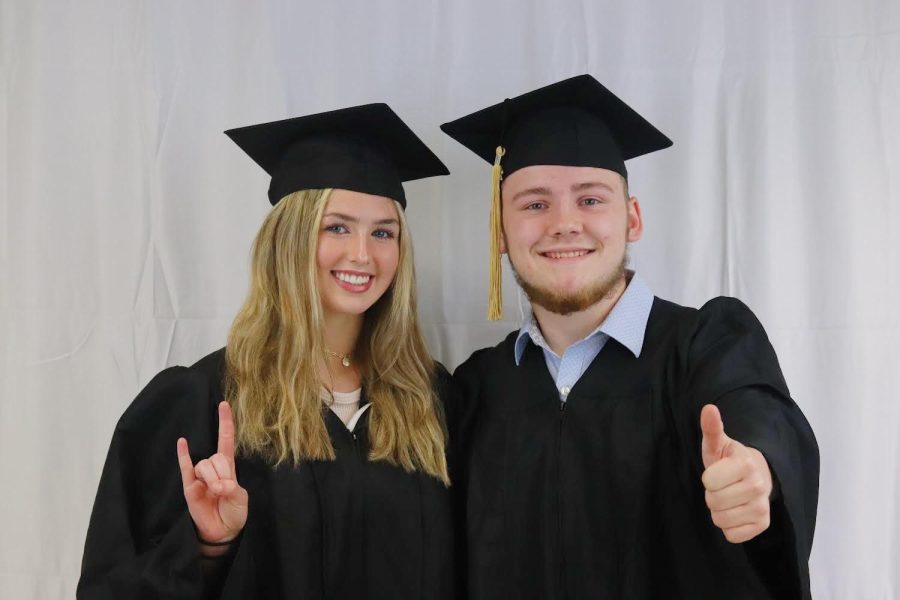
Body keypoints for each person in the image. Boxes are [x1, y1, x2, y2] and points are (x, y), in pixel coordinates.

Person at [441, 75, 819, 599]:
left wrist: (760, 472)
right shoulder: (475, 389)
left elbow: (758, 413)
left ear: (633, 218)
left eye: (591, 200)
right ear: (500, 233)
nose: (564, 223)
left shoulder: (706, 346)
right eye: (533, 204)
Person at [78, 103, 458, 599]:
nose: (363, 254)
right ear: (288, 239)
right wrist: (211, 544)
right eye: (337, 227)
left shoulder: (431, 398)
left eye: (383, 232)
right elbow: (117, 586)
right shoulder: (202, 401)